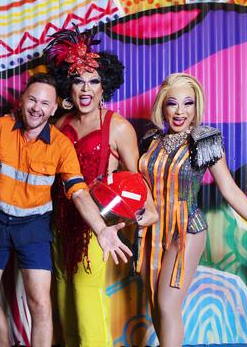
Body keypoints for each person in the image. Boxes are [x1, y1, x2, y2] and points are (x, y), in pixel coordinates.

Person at [0, 73, 133, 347]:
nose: (37, 108)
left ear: (54, 107)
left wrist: (101, 228)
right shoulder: (0, 127)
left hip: (33, 227)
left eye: (44, 103)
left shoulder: (60, 145)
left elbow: (78, 192)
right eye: (32, 99)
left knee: (40, 305)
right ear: (22, 99)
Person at [136, 73, 247, 347]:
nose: (180, 111)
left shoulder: (204, 140)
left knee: (167, 303)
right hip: (150, 231)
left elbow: (229, 188)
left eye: (188, 103)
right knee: (155, 302)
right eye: (173, 103)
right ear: (162, 106)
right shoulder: (150, 141)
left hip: (186, 229)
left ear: (196, 106)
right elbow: (135, 184)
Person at [44, 28, 157, 346]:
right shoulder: (60, 125)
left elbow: (136, 179)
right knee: (64, 298)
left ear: (104, 85)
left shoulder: (117, 126)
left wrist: (148, 208)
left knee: (85, 297)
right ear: (69, 84)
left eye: (93, 81)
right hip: (58, 222)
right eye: (78, 80)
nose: (85, 88)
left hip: (95, 227)